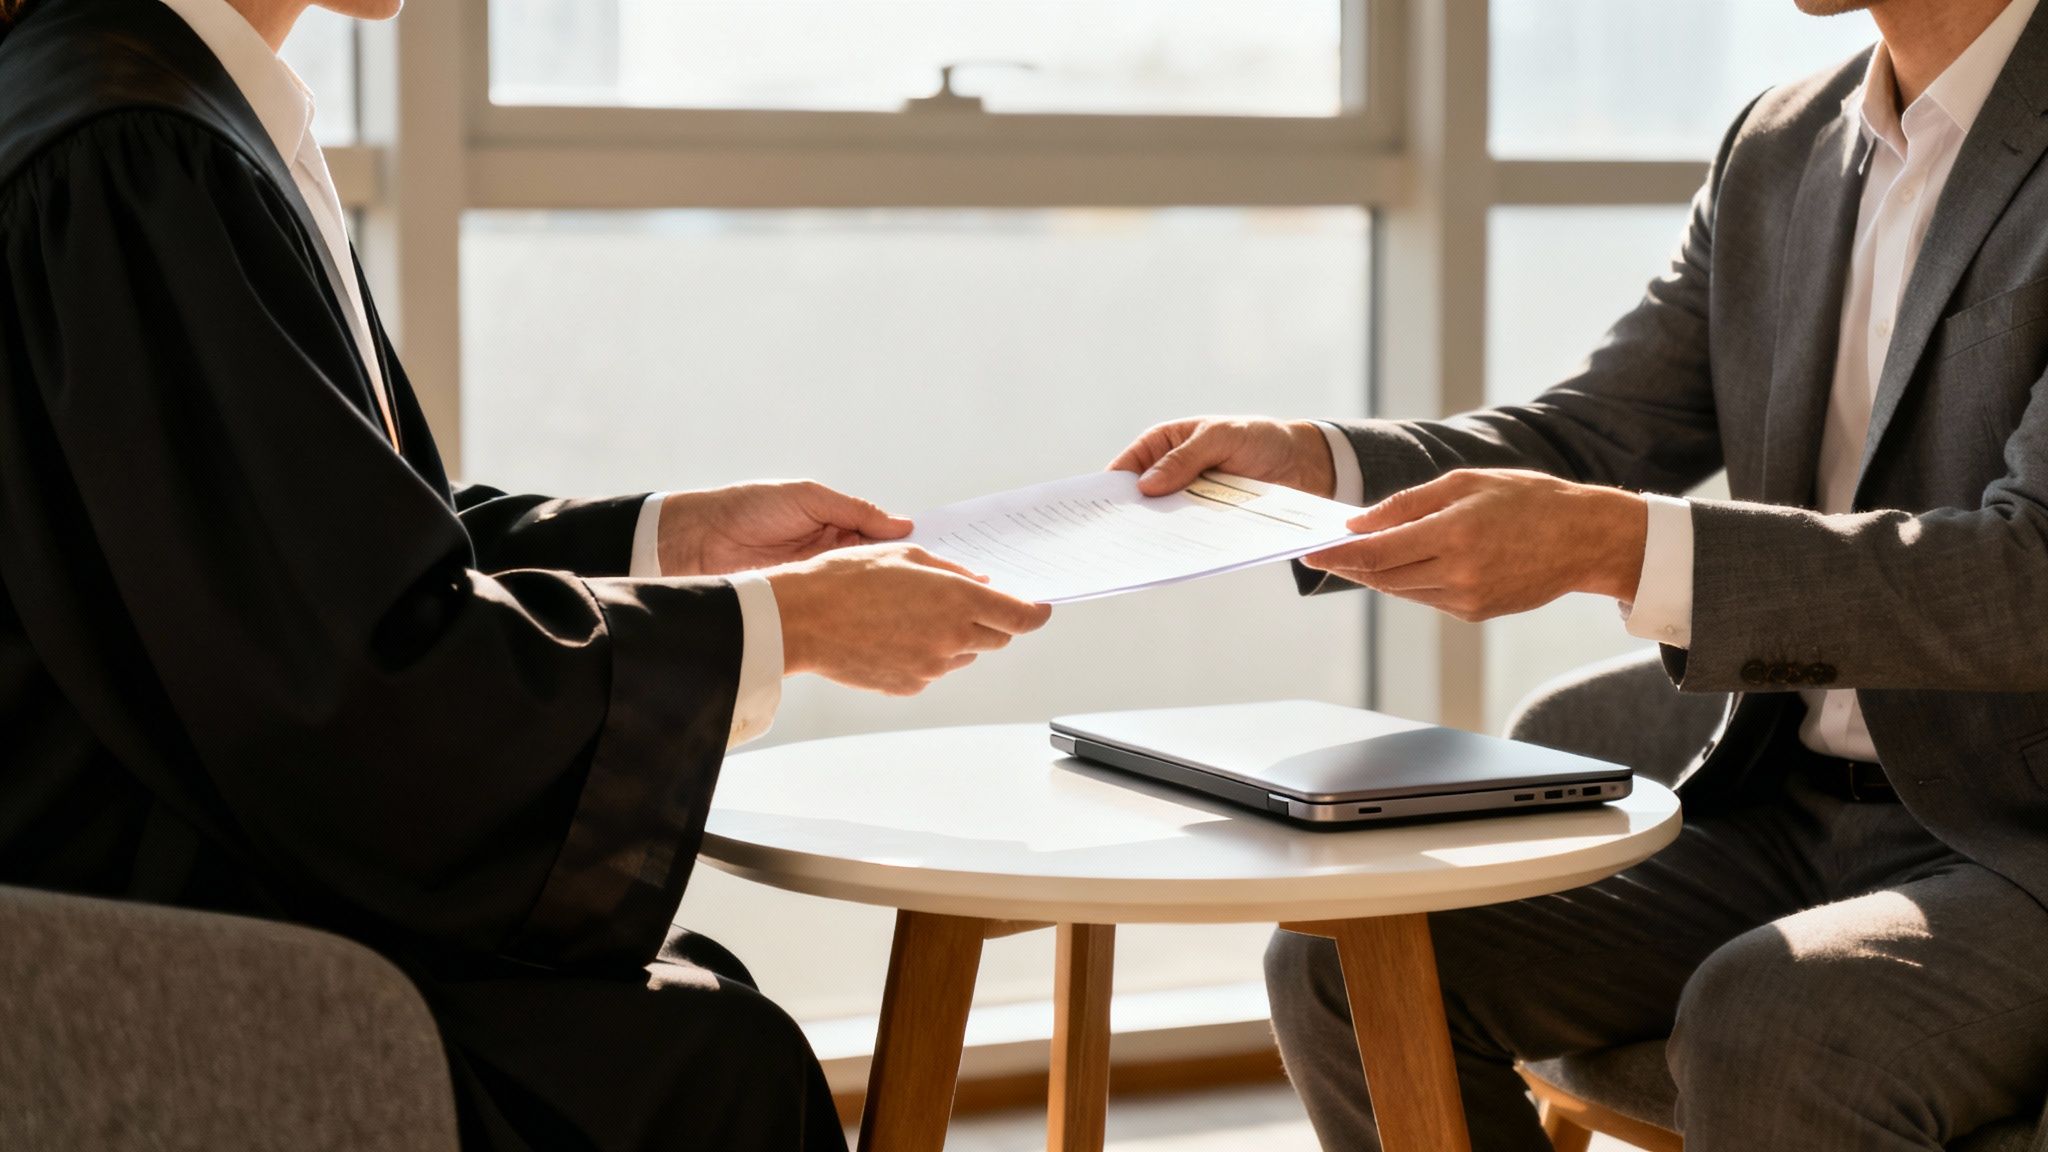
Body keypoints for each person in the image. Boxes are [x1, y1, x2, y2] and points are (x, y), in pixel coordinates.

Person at [0, 0, 1052, 1148]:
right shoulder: (141, 150)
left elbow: (309, 553)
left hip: (178, 858)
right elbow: (353, 675)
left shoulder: (139, 95)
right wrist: (778, 627)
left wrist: (673, 543)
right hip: (160, 929)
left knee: (699, 1019)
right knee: (707, 1062)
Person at [1112, 0, 2048, 1148]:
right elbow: (1601, 431)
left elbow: (2027, 576)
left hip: (2018, 836)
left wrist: (1611, 545)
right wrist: (1322, 465)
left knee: (1774, 1020)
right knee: (1348, 957)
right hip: (1785, 804)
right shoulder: (1782, 143)